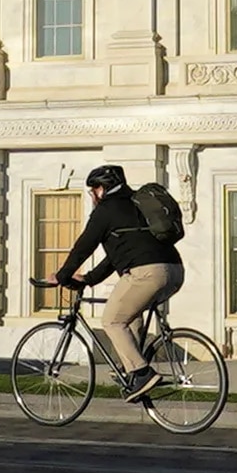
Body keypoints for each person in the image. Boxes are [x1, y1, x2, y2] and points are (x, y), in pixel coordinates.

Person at [50, 164, 183, 403]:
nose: (92, 195)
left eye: (93, 190)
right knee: (130, 317)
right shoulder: (137, 203)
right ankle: (128, 370)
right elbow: (115, 256)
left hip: (146, 272)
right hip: (174, 271)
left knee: (111, 320)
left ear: (102, 189)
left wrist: (62, 275)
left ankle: (142, 374)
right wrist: (89, 279)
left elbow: (83, 246)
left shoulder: (106, 210)